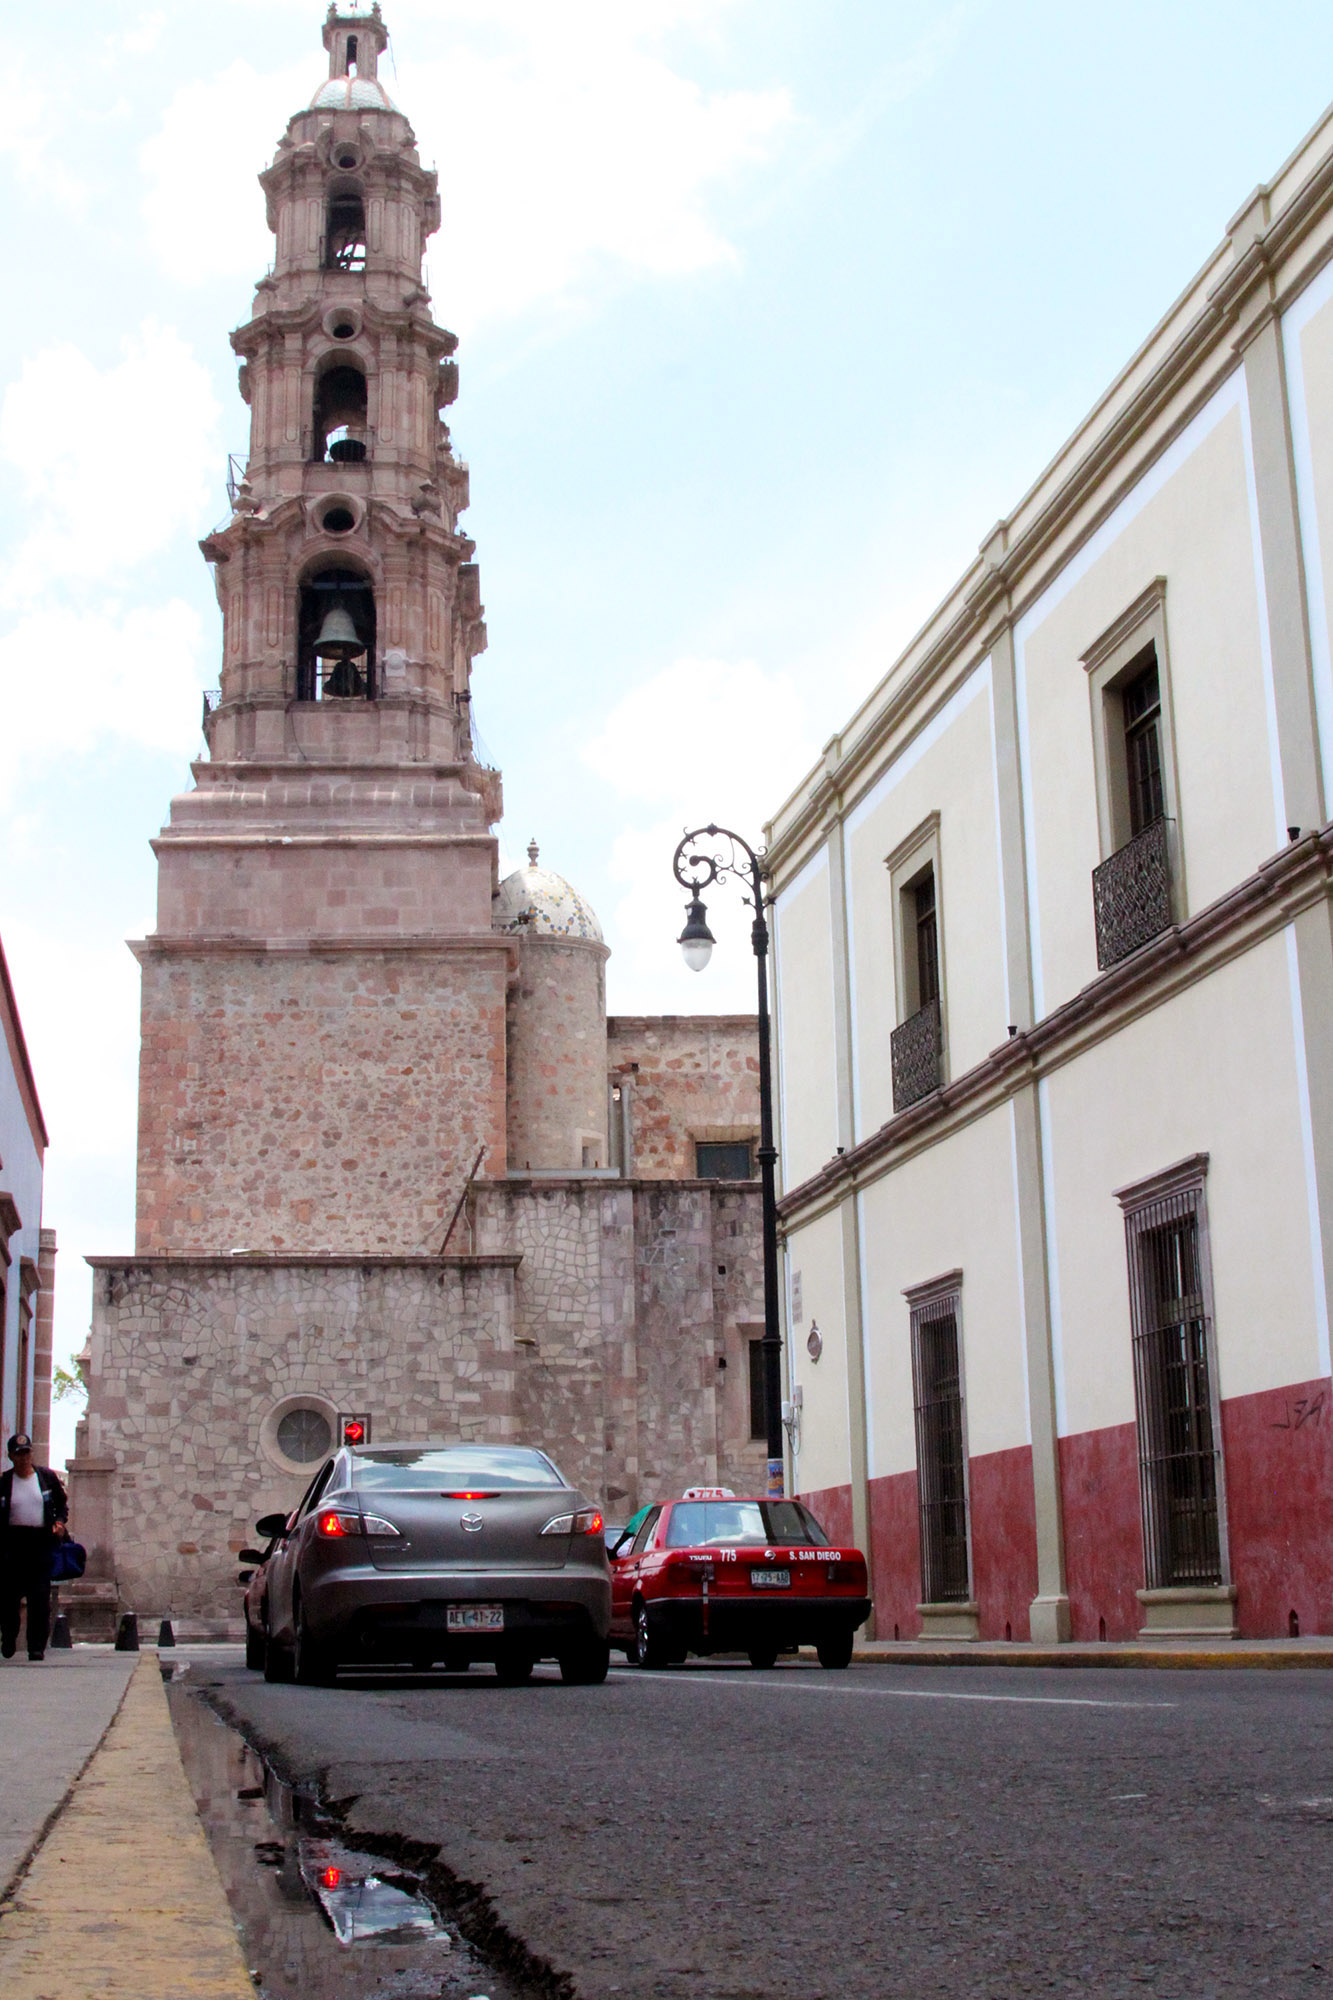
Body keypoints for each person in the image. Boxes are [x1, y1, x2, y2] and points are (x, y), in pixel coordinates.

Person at [0, 1434, 68, 1661]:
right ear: (11, 1456)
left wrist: (59, 1523)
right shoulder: (4, 1482)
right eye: (18, 1454)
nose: (23, 1458)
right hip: (13, 1543)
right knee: (9, 1598)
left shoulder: (46, 1478)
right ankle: (8, 1637)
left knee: (40, 1598)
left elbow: (61, 1504)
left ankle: (36, 1647)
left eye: (27, 1453)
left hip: (40, 1542)